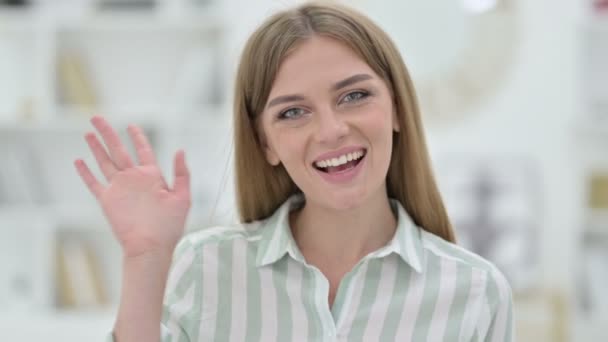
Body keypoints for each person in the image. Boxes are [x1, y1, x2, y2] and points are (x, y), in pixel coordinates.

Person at [75, 2, 513, 341]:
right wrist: (146, 258)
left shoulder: (475, 291)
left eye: (354, 96)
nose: (331, 130)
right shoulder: (207, 266)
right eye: (293, 112)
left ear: (397, 107)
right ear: (265, 142)